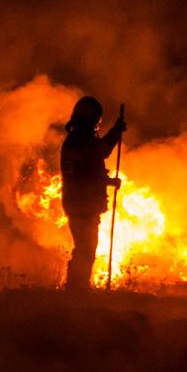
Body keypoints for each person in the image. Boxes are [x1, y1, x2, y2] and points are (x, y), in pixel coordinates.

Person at [60, 96, 126, 290]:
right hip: (84, 204)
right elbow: (101, 152)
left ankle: (77, 288)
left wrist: (108, 181)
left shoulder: (74, 139)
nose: (97, 123)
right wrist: (116, 131)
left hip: (76, 202)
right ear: (93, 119)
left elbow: (86, 172)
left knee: (85, 248)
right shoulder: (82, 139)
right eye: (97, 119)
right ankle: (76, 289)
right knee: (86, 249)